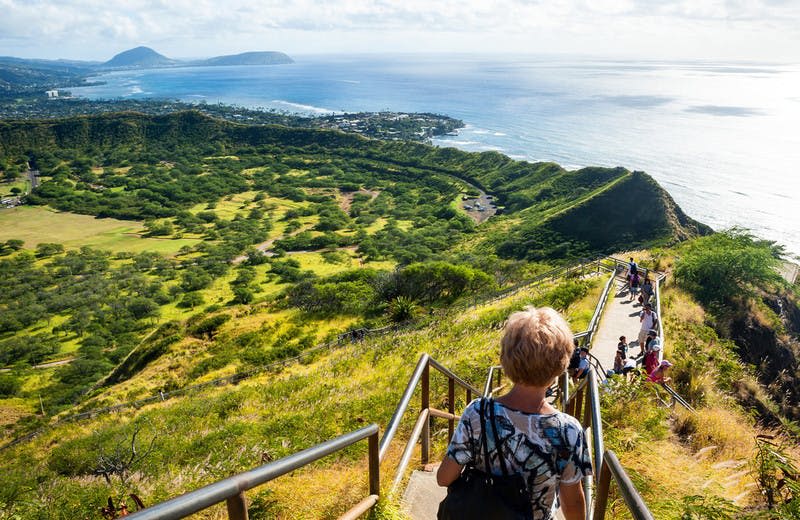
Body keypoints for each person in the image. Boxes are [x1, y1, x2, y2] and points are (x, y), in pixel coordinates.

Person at [437, 307, 592, 520]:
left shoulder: (478, 412)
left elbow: (444, 478)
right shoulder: (569, 431)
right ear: (561, 364)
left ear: (506, 359)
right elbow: (572, 503)